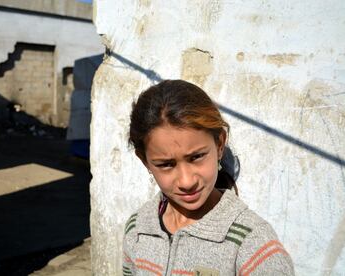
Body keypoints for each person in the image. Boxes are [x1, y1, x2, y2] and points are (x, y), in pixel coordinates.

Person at [123, 80, 294, 276]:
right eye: (166, 165)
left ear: (220, 144)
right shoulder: (137, 229)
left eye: (196, 157)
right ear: (144, 160)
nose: (187, 181)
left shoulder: (252, 244)